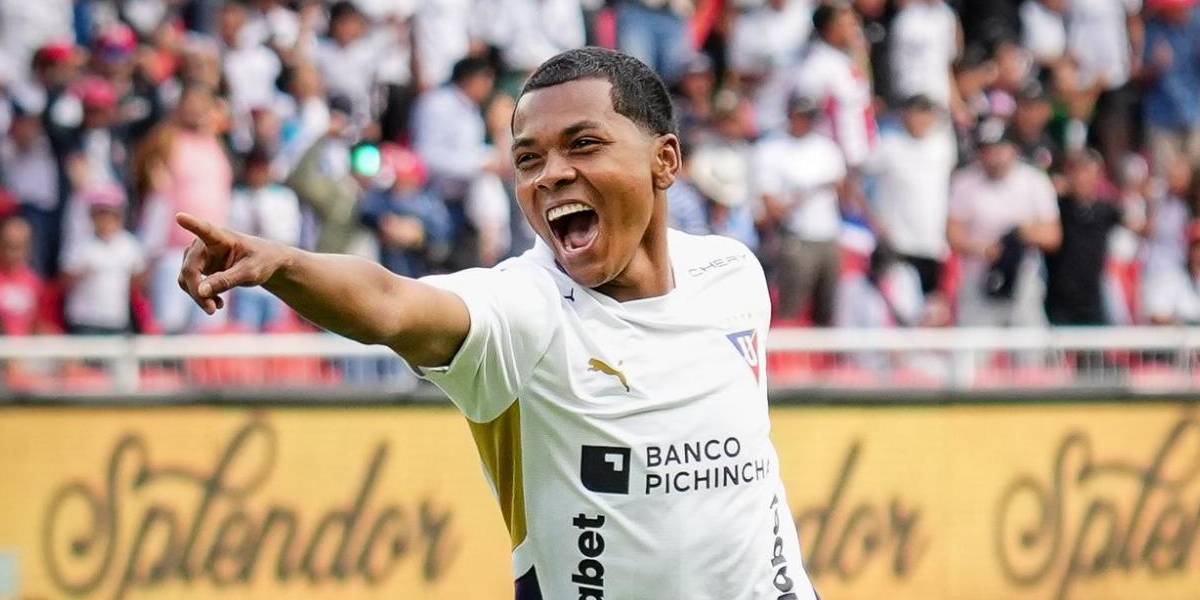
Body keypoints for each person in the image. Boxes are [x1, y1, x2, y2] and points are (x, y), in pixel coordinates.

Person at [174, 47, 819, 600]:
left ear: (665, 161)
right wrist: (286, 265)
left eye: (584, 144)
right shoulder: (525, 308)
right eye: (528, 159)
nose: (551, 174)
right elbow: (392, 304)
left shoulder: (732, 273)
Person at [948, 118, 1062, 327]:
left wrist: (1021, 234)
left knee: (1030, 343)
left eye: (1000, 149)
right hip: (979, 276)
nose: (994, 157)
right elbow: (953, 235)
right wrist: (986, 250)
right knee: (972, 344)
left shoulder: (1034, 181)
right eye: (987, 150)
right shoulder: (965, 182)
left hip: (1023, 277)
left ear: (1014, 150)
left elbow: (1053, 236)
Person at [753, 94, 847, 325]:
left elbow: (843, 193)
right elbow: (770, 203)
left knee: (828, 308)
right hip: (796, 237)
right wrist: (801, 197)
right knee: (792, 306)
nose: (806, 121)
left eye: (810, 117)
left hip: (828, 235)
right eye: (801, 116)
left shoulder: (827, 149)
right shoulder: (772, 149)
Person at [862, 94, 956, 297]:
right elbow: (856, 182)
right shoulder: (889, 145)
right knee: (896, 305)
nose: (921, 119)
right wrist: (873, 220)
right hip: (897, 243)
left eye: (926, 113)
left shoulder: (944, 146)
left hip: (932, 244)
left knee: (930, 307)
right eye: (916, 113)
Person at [1044, 150, 1141, 325]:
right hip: (1059, 300)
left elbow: (1136, 224)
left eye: (1090, 174)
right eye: (1079, 173)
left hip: (1092, 300)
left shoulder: (1105, 210)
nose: (1084, 180)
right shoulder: (1057, 207)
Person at [60, 184, 146, 335]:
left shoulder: (129, 244)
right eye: (100, 214)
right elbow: (63, 280)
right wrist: (80, 274)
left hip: (116, 320)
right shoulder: (80, 244)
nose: (105, 219)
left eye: (110, 214)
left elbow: (140, 279)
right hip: (84, 320)